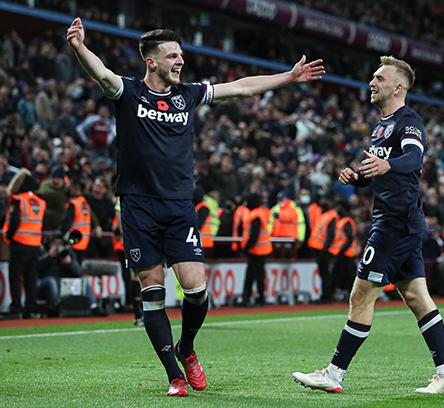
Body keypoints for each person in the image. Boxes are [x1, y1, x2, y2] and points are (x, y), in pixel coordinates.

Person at [67, 17, 324, 396]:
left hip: (179, 206)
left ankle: (187, 349)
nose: (180, 61)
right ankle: (174, 376)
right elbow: (103, 74)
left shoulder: (187, 94)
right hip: (138, 207)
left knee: (196, 289)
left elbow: (239, 88)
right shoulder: (130, 92)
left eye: (181, 55)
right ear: (151, 61)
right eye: (172, 56)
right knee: (152, 291)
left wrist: (287, 77)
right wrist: (78, 47)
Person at [293, 56, 444, 394]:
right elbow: (382, 173)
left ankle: (334, 373)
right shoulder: (381, 126)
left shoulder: (408, 120)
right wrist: (357, 177)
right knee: (416, 295)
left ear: (398, 87)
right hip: (401, 219)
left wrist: (387, 163)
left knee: (361, 295)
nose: (372, 82)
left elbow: (413, 158)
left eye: (379, 78)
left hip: (395, 223)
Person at [2, 169, 45, 319]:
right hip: (35, 244)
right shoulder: (40, 202)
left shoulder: (18, 199)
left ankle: (16, 308)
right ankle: (30, 309)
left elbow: (14, 220)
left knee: (15, 277)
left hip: (19, 243)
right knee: (30, 279)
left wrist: (9, 237)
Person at [36, 232, 98, 315]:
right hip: (45, 282)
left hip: (63, 282)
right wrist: (49, 257)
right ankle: (56, 306)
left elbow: (78, 273)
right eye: (55, 243)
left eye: (60, 243)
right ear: (50, 243)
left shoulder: (68, 252)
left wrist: (70, 263)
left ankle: (94, 306)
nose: (58, 246)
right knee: (51, 281)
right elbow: (36, 268)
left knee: (84, 281)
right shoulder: (42, 250)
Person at [112, 198, 143, 325]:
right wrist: (124, 233)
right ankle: (138, 313)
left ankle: (142, 310)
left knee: (161, 272)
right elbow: (118, 210)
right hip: (133, 239)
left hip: (148, 236)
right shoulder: (128, 191)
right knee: (135, 274)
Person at [241, 193, 272, 307]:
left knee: (253, 276)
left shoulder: (255, 215)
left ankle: (250, 299)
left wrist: (245, 249)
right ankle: (258, 298)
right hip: (261, 250)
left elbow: (254, 235)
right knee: (258, 276)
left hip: (257, 250)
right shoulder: (260, 213)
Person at [307, 196, 338, 304]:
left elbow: (330, 235)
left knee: (325, 275)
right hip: (319, 249)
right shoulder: (324, 215)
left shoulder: (330, 216)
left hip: (324, 250)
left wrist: (324, 250)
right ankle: (325, 296)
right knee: (323, 274)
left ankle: (327, 297)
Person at [328, 200, 358, 301]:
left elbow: (349, 238)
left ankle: (350, 297)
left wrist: (341, 249)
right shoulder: (343, 220)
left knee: (348, 277)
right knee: (342, 276)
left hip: (346, 254)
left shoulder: (347, 221)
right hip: (342, 253)